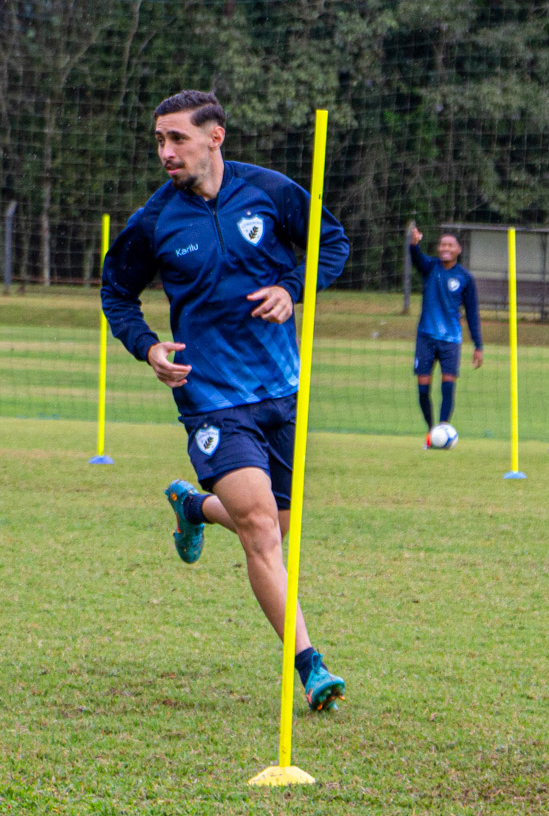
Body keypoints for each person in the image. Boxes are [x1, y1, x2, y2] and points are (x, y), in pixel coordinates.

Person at [101, 90, 351, 711]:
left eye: (177, 139)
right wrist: (148, 347)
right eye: (159, 140)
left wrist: (293, 288)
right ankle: (310, 664)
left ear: (215, 137)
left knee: (271, 524)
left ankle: (193, 507)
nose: (165, 152)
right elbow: (116, 294)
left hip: (282, 392)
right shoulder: (153, 221)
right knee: (262, 531)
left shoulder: (270, 191)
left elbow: (334, 244)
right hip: (210, 398)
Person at [408, 226, 483, 445]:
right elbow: (417, 258)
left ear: (458, 249)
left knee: (448, 386)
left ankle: (442, 428)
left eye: (450, 245)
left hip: (451, 341)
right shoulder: (430, 267)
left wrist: (478, 345)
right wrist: (413, 244)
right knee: (423, 390)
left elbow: (472, 313)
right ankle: (432, 432)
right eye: (442, 245)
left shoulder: (465, 278)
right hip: (426, 338)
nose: (445, 248)